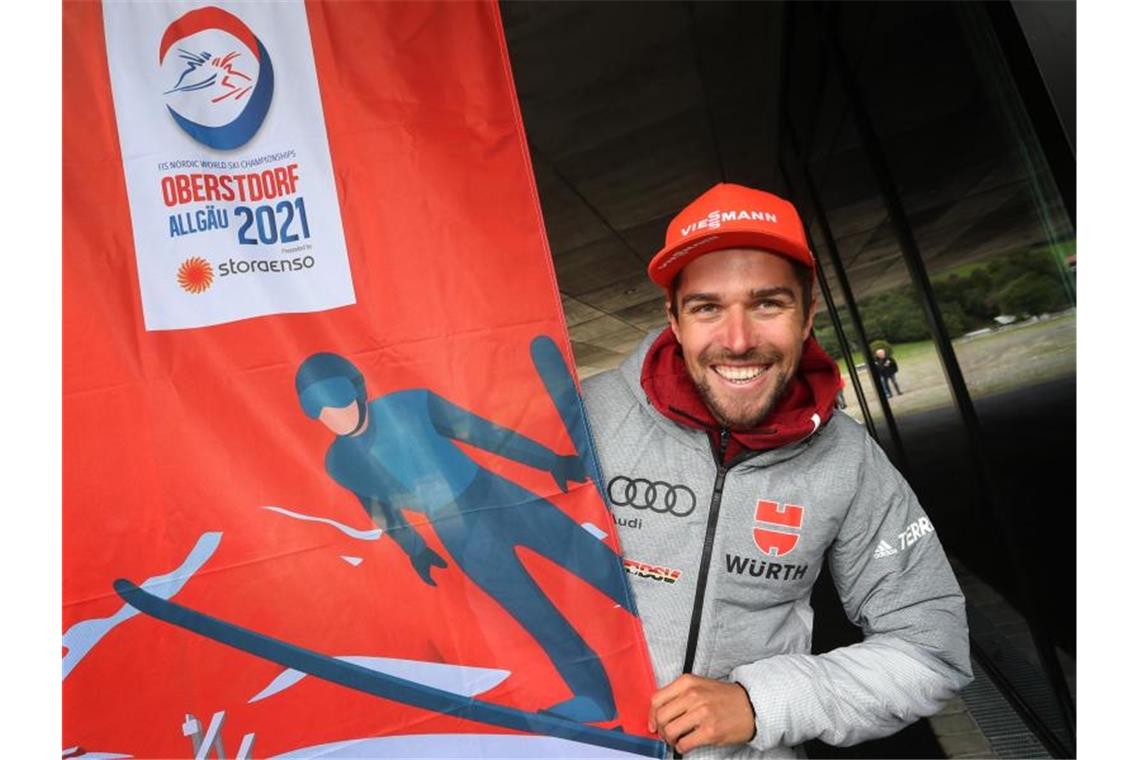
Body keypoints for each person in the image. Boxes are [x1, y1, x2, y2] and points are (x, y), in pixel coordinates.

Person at [582, 183, 971, 757]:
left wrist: (761, 702)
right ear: (674, 317)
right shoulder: (582, 416)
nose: (737, 341)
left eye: (768, 303)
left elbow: (930, 649)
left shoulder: (849, 460)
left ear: (808, 312)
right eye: (707, 307)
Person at [295, 349, 636, 724]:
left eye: (336, 397)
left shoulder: (412, 405)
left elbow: (484, 435)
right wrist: (415, 550)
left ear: (357, 390)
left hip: (500, 498)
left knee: (598, 564)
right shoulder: (339, 461)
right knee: (534, 614)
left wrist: (548, 460)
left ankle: (673, 632)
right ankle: (594, 698)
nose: (331, 414)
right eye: (316, 406)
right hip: (458, 533)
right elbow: (380, 509)